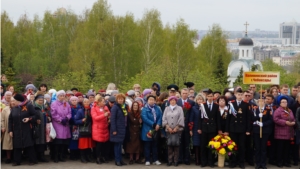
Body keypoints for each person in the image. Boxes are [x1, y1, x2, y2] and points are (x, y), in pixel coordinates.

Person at [9, 93, 38, 166]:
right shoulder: (14, 108)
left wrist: (29, 119)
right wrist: (10, 130)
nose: (13, 102)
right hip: (16, 130)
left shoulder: (28, 106)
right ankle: (17, 161)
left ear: (18, 101)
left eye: (14, 101)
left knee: (29, 145)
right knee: (17, 146)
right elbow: (10, 120)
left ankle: (32, 160)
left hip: (27, 129)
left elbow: (35, 115)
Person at [225, 88, 251, 169]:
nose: (239, 96)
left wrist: (248, 129)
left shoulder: (246, 104)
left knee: (242, 146)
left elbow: (248, 118)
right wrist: (227, 130)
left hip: (242, 129)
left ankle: (241, 162)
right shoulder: (231, 104)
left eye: (241, 95)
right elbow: (228, 118)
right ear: (235, 95)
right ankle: (233, 161)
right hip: (233, 128)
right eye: (238, 94)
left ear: (242, 95)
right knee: (233, 146)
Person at [197, 89, 220, 168]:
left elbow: (218, 119)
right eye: (208, 96)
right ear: (206, 97)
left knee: (211, 146)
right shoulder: (202, 105)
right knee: (203, 146)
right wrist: (199, 128)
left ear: (213, 97)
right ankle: (204, 162)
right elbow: (200, 118)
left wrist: (218, 129)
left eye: (211, 96)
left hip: (212, 128)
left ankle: (211, 162)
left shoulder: (216, 106)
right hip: (204, 127)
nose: (210, 98)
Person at [273, 95, 295, 168]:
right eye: (282, 102)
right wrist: (285, 122)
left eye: (285, 102)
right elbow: (275, 119)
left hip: (289, 132)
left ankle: (286, 161)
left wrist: (293, 122)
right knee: (280, 149)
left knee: (287, 149)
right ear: (280, 103)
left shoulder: (289, 110)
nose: (284, 103)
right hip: (280, 133)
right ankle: (279, 162)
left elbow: (293, 118)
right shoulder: (278, 110)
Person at [163, 96, 184, 166]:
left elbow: (181, 118)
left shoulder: (180, 108)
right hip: (168, 130)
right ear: (169, 101)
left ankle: (176, 161)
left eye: (174, 100)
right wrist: (168, 127)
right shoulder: (166, 109)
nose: (172, 101)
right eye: (171, 100)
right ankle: (169, 161)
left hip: (177, 130)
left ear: (176, 101)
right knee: (169, 145)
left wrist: (176, 127)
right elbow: (164, 118)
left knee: (176, 146)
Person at [141, 95, 162, 166]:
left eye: (153, 100)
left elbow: (160, 117)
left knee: (155, 145)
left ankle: (155, 159)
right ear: (147, 101)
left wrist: (158, 124)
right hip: (147, 129)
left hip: (156, 129)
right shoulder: (144, 109)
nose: (151, 101)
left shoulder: (157, 108)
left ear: (155, 101)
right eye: (150, 100)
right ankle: (147, 159)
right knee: (147, 145)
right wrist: (153, 124)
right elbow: (144, 118)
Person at [51, 90, 71, 163]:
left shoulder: (67, 104)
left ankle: (61, 156)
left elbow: (69, 112)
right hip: (58, 124)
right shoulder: (54, 104)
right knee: (58, 142)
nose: (62, 97)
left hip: (65, 124)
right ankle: (56, 156)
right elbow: (54, 114)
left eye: (63, 96)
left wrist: (67, 118)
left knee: (63, 142)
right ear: (58, 96)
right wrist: (60, 120)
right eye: (61, 96)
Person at [252, 99, 273, 169]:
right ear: (258, 102)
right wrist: (258, 116)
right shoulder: (255, 109)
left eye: (262, 101)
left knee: (263, 148)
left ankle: (263, 163)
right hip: (256, 131)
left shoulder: (268, 109)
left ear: (264, 102)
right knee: (257, 148)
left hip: (265, 131)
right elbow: (252, 118)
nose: (261, 102)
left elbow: (270, 120)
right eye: (259, 101)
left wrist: (263, 123)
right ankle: (258, 163)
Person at [177, 88, 195, 165]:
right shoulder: (177, 102)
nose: (184, 94)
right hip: (179, 125)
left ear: (188, 94)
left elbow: (192, 114)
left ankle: (187, 158)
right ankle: (180, 158)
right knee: (180, 143)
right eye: (183, 93)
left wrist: (190, 125)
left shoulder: (191, 102)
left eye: (186, 93)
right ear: (181, 94)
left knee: (187, 142)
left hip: (187, 125)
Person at [110, 93, 128, 166]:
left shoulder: (123, 107)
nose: (120, 100)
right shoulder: (115, 107)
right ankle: (117, 160)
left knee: (120, 145)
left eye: (122, 99)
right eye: (119, 99)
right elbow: (113, 119)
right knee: (117, 145)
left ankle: (120, 159)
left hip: (122, 128)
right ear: (117, 100)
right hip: (117, 129)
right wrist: (114, 130)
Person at [91, 95, 110, 164]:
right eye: (102, 101)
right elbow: (95, 118)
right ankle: (97, 157)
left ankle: (103, 156)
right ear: (98, 102)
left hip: (105, 128)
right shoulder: (94, 108)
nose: (104, 103)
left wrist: (108, 118)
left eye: (104, 101)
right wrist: (104, 115)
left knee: (104, 145)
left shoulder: (105, 107)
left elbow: (109, 115)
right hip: (98, 128)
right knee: (99, 144)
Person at [75, 98, 95, 163]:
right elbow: (76, 121)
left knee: (89, 145)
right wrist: (81, 120)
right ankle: (82, 157)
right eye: (85, 102)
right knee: (83, 145)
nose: (86, 103)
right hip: (83, 130)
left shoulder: (92, 110)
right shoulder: (80, 111)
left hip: (90, 130)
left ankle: (88, 157)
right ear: (83, 103)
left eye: (88, 102)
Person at [189, 94, 206, 165]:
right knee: (196, 145)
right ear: (196, 100)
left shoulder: (205, 107)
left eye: (201, 99)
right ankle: (197, 160)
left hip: (204, 128)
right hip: (195, 128)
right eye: (198, 99)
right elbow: (191, 119)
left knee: (203, 144)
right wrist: (190, 129)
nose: (199, 101)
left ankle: (203, 160)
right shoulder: (193, 108)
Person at [33, 93, 50, 162]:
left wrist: (48, 116)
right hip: (37, 127)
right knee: (37, 142)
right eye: (39, 100)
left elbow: (49, 113)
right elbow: (31, 116)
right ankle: (36, 156)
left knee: (43, 142)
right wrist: (35, 120)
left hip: (44, 127)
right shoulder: (33, 107)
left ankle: (42, 156)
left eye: (42, 100)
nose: (41, 101)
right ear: (36, 100)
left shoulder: (44, 107)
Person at [1, 98, 16, 164]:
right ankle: (8, 158)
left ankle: (15, 157)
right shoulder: (5, 109)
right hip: (7, 128)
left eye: (14, 101)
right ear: (9, 102)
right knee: (8, 144)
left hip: (16, 129)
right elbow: (2, 119)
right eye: (12, 101)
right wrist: (3, 126)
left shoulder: (19, 108)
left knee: (16, 144)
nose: (13, 102)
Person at [69, 96, 80, 160]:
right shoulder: (69, 108)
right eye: (73, 100)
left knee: (78, 140)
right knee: (72, 141)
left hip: (78, 125)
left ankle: (77, 153)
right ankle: (72, 154)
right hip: (72, 126)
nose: (74, 101)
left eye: (75, 100)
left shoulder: (80, 108)